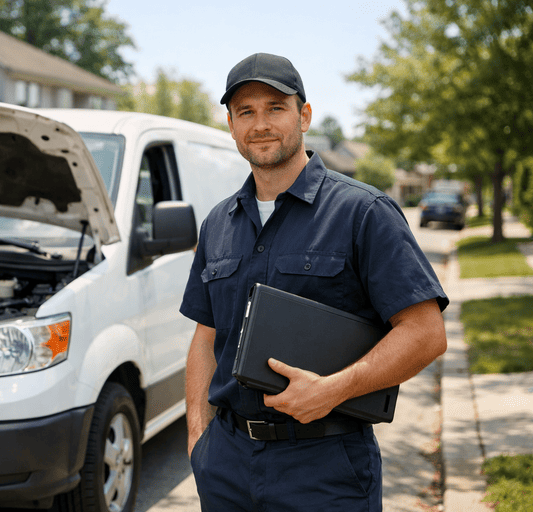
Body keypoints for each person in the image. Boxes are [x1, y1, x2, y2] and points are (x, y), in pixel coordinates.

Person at [180, 53, 448, 511]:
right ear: (231, 125)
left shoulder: (363, 212)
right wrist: (198, 440)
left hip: (326, 469)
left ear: (303, 116)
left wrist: (333, 389)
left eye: (275, 108)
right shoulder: (218, 224)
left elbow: (425, 333)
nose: (260, 124)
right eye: (246, 112)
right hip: (226, 467)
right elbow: (206, 338)